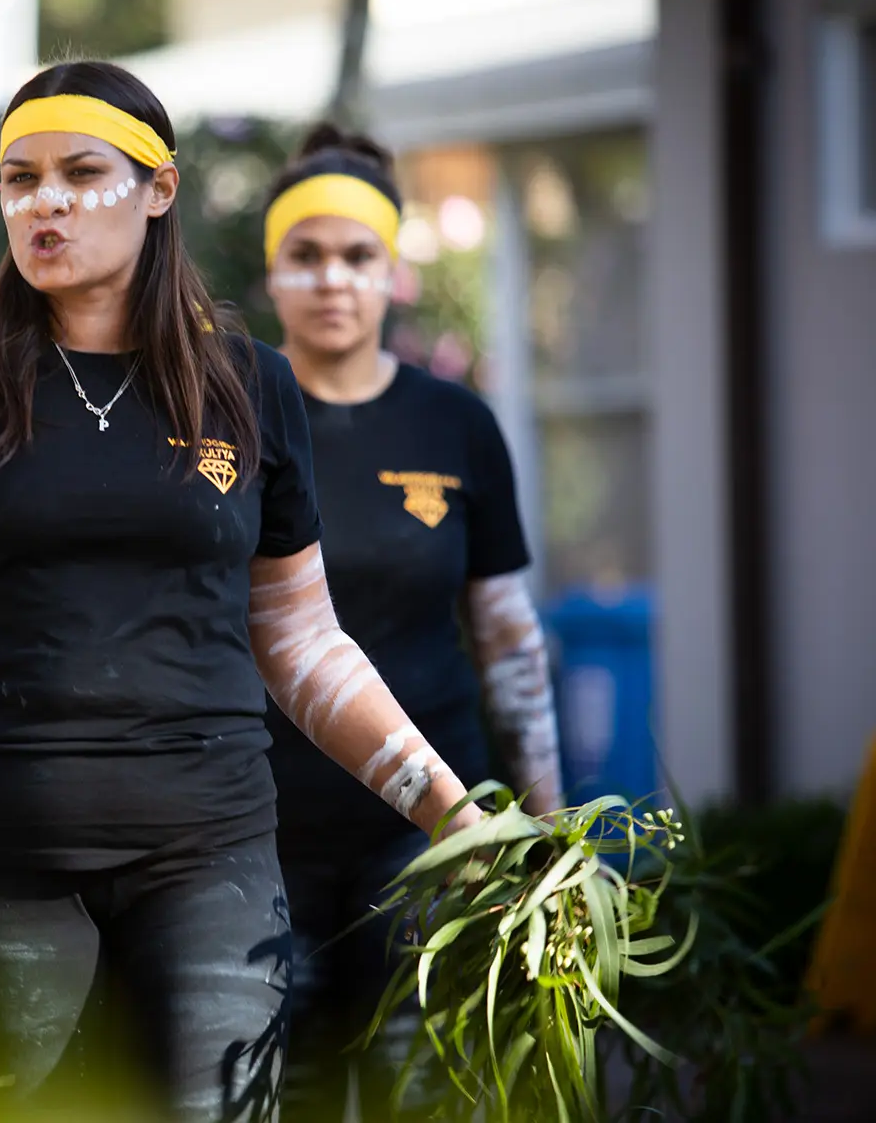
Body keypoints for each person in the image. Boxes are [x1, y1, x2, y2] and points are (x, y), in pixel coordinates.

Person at [0, 61, 485, 1123]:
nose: (47, 202)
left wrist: (449, 810)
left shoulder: (249, 385)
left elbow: (303, 639)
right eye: (20, 179)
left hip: (209, 854)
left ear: (159, 190)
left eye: (81, 173)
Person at [257, 125, 563, 1122]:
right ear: (271, 272)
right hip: (260, 833)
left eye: (358, 256)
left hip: (430, 834)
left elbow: (507, 637)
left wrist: (546, 831)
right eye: (305, 256)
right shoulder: (231, 417)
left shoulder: (455, 423)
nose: (332, 280)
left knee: (420, 1096)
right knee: (288, 1097)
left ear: (393, 271)